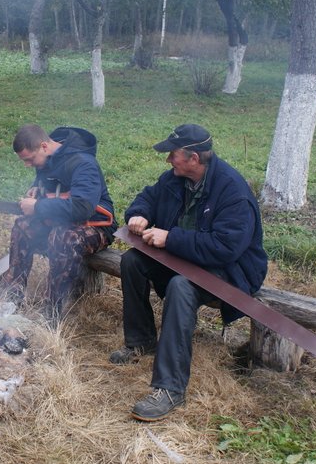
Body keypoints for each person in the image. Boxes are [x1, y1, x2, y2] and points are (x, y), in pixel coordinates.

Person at [111, 123, 267, 422]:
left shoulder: (233, 191)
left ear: (193, 158)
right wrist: (139, 214)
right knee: (132, 261)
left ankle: (170, 389)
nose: (168, 159)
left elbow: (226, 248)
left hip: (230, 270)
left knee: (181, 286)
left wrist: (171, 238)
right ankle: (140, 341)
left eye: (173, 154)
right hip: (185, 257)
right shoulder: (176, 177)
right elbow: (148, 197)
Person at [4, 124, 117, 319]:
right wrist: (36, 188)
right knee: (23, 226)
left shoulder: (83, 163)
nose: (27, 165)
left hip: (96, 226)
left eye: (30, 159)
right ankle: (12, 298)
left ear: (44, 146)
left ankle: (52, 312)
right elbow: (48, 181)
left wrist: (38, 207)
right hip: (62, 221)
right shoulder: (46, 158)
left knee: (63, 238)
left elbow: (82, 208)